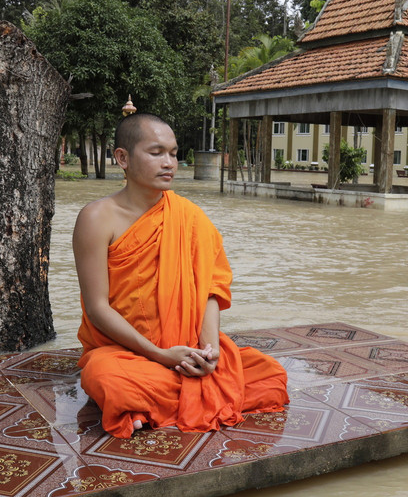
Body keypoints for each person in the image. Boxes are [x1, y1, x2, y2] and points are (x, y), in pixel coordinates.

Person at [72, 113, 289, 438]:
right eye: (156, 152)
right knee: (105, 376)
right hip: (126, 351)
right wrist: (159, 355)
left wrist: (210, 351)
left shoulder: (190, 217)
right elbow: (97, 308)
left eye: (173, 153)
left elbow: (210, 291)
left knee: (269, 374)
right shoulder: (97, 218)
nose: (169, 162)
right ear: (123, 158)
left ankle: (150, 406)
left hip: (186, 349)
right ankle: (157, 398)